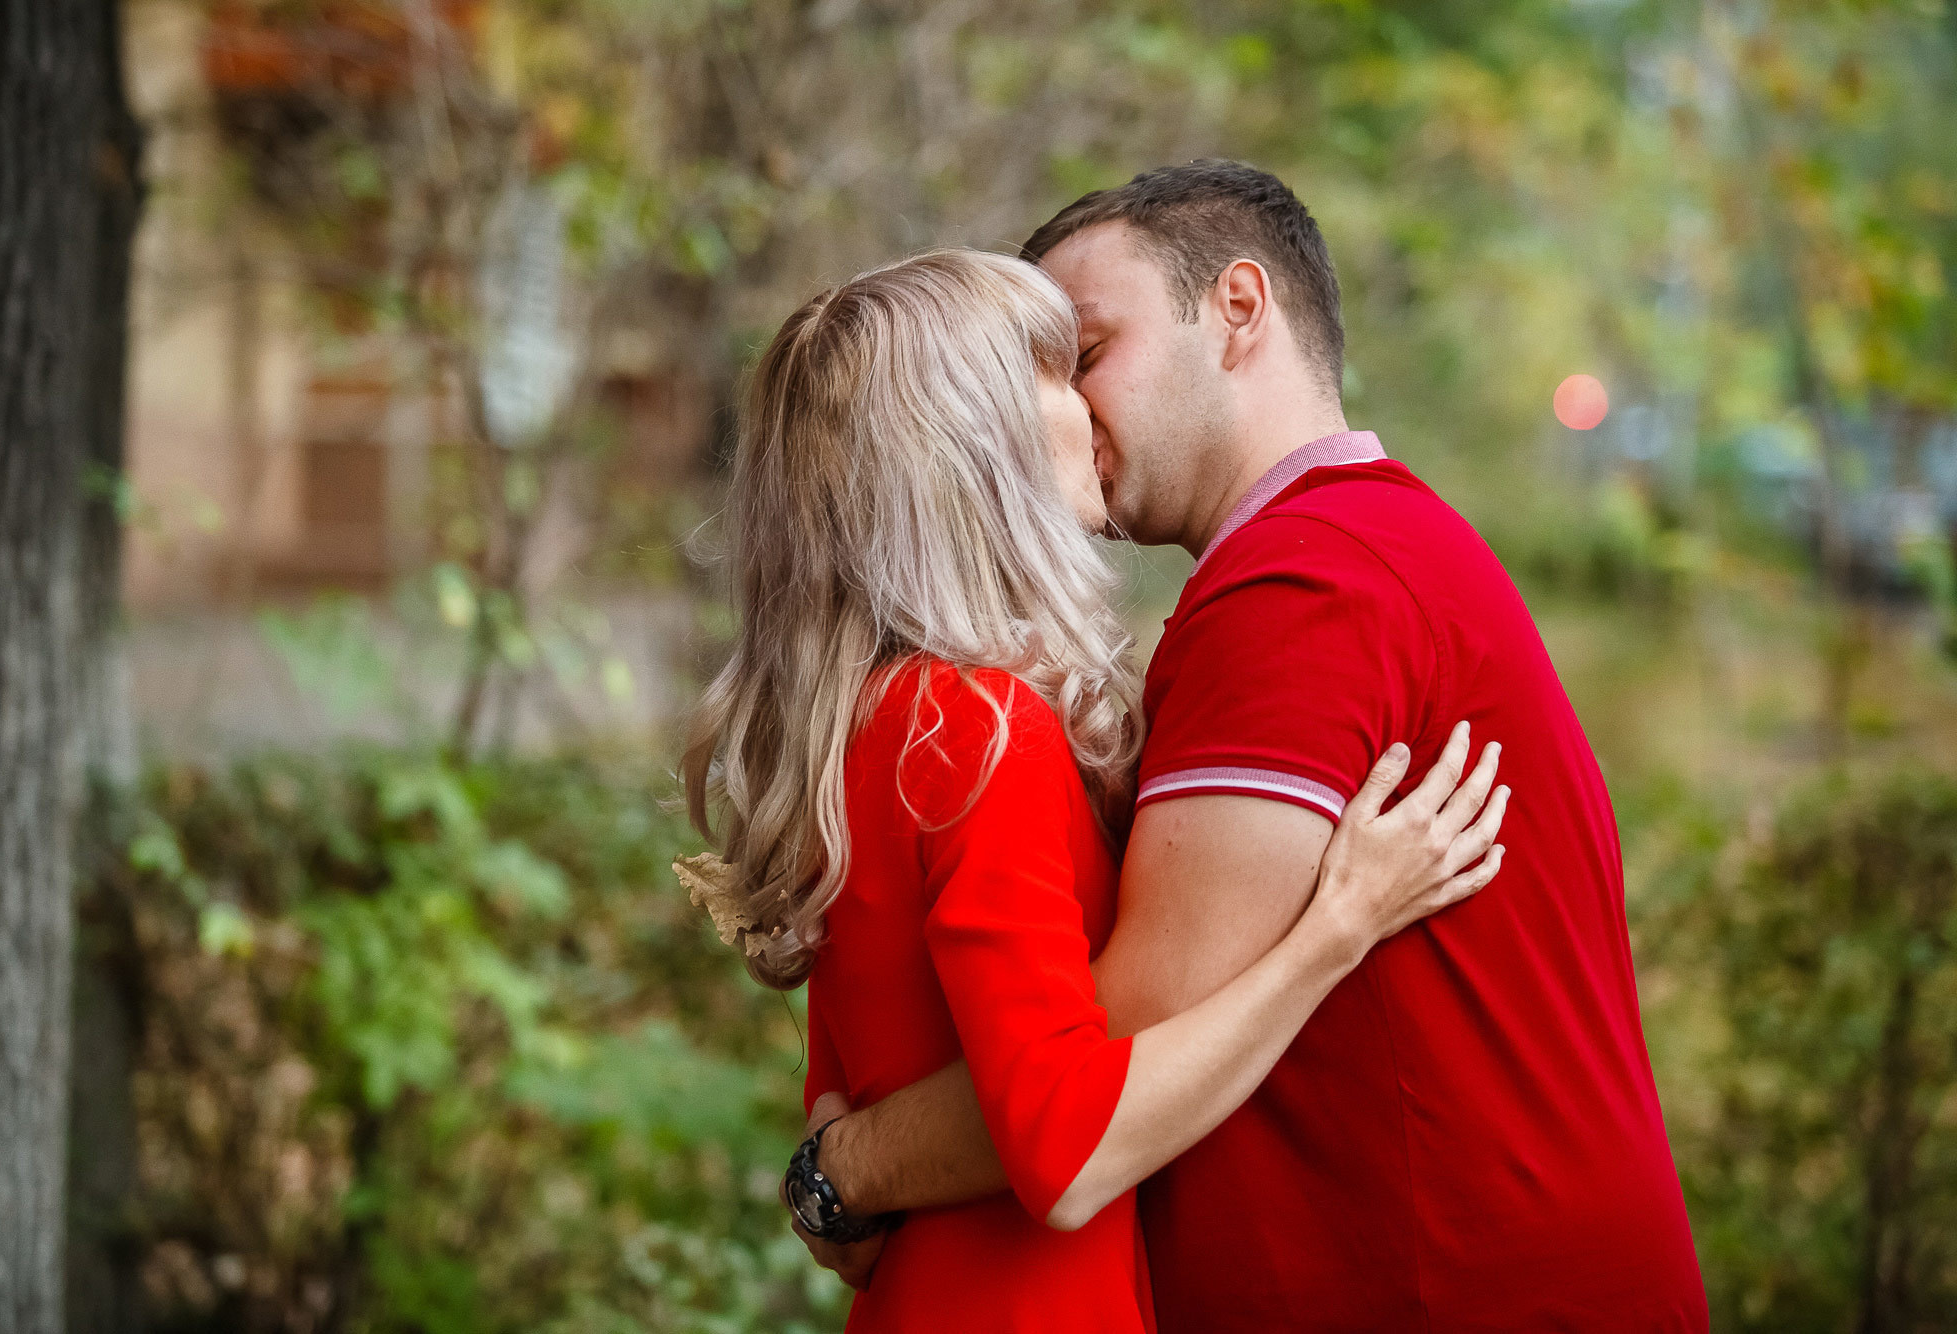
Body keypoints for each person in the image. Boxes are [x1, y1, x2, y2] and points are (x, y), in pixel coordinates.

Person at [791, 163, 1711, 1332]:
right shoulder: (1367, 550)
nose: (1065, 408)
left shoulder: (1305, 584)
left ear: (1236, 309)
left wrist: (845, 1170)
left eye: (1085, 350)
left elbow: (1093, 1068)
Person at [681, 247, 1509, 1333]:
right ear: (979, 441)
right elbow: (1064, 1153)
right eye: (1057, 372)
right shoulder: (981, 730)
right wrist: (1337, 923)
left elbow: (842, 1104)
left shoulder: (868, 720)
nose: (1089, 409)